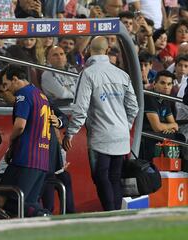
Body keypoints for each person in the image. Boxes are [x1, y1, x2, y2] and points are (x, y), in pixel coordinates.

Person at [62, 36, 139, 211]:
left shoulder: (88, 74)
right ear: (106, 51)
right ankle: (117, 215)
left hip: (100, 136)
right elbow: (134, 107)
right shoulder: (122, 74)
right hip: (121, 136)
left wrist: (70, 133)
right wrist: (124, 127)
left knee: (101, 176)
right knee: (115, 176)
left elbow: (80, 109)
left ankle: (110, 214)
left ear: (89, 49)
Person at [0, 64, 51, 217]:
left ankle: (42, 215)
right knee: (28, 202)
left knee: (3, 198)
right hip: (42, 158)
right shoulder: (41, 95)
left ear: (15, 79)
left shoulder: (23, 95)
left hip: (25, 157)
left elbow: (20, 126)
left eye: (6, 84)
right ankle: (38, 217)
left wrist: (11, 141)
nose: (7, 90)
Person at [141, 70, 185, 161]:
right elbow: (157, 127)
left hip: (158, 133)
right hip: (146, 134)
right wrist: (171, 126)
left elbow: (173, 124)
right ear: (154, 84)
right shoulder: (149, 97)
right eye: (162, 83)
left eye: (169, 84)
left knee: (179, 137)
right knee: (176, 138)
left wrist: (170, 127)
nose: (166, 87)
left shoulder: (165, 99)